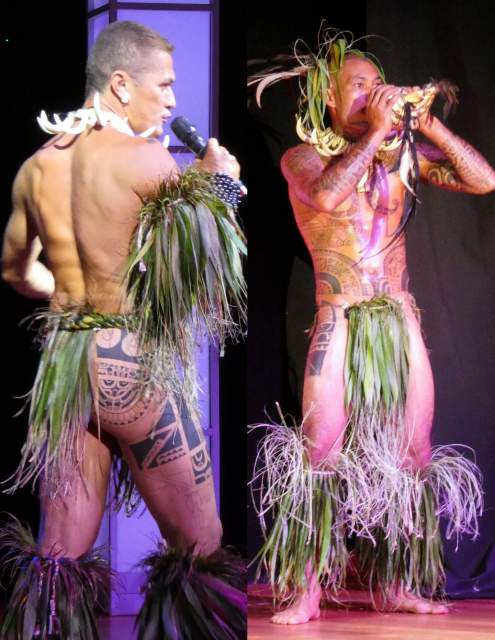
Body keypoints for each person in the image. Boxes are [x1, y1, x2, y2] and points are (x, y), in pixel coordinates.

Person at [1, 20, 246, 639]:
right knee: (201, 544)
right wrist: (220, 182)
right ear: (119, 84)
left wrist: (72, 295)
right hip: (131, 367)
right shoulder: (145, 158)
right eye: (162, 85)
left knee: (59, 556)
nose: (170, 100)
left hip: (65, 370)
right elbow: (200, 273)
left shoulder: (36, 168)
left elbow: (16, 271)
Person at [250, 30, 493, 625]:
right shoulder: (302, 158)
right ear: (330, 101)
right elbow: (327, 197)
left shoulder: (401, 156)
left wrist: (428, 127)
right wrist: (381, 131)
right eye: (358, 85)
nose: (374, 93)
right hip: (340, 316)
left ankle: (398, 580)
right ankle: (308, 586)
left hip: (398, 316)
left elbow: (484, 179)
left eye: (377, 83)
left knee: (414, 451)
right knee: (321, 448)